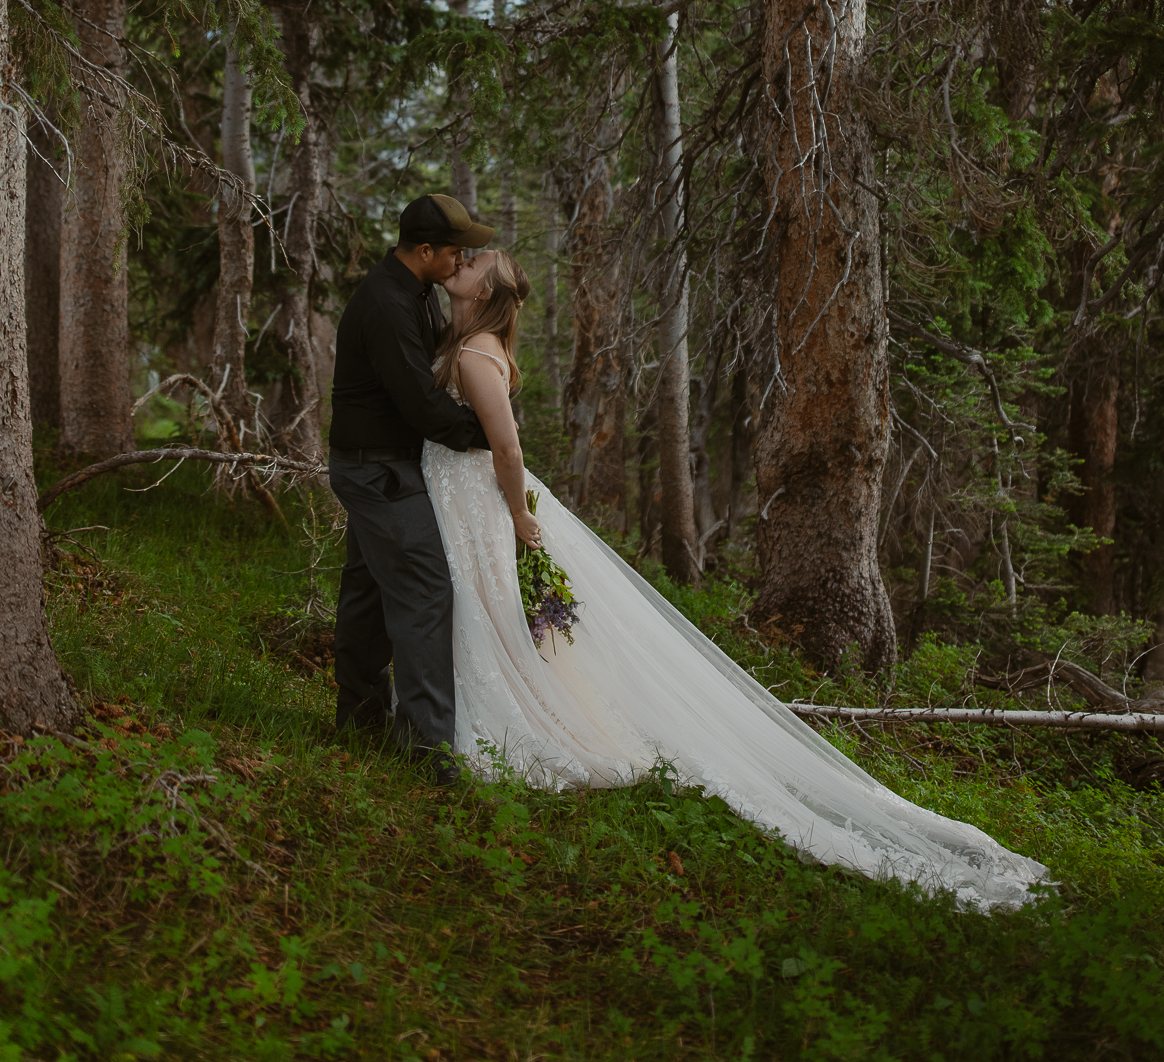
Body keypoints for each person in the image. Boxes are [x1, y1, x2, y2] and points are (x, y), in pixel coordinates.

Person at [422, 248, 1049, 911]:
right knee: (486, 608)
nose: (458, 264)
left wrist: (519, 514)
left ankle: (517, 721)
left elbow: (507, 446)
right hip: (460, 494)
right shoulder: (465, 340)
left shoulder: (472, 352)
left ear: (483, 288)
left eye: (470, 263)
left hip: (479, 499)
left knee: (487, 607)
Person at [327, 191, 495, 783]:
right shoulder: (386, 305)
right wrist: (490, 435)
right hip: (378, 469)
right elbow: (422, 407)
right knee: (425, 590)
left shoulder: (416, 292)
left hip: (386, 463)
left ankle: (360, 718)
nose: (461, 261)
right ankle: (428, 751)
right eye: (456, 252)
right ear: (425, 250)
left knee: (370, 588)